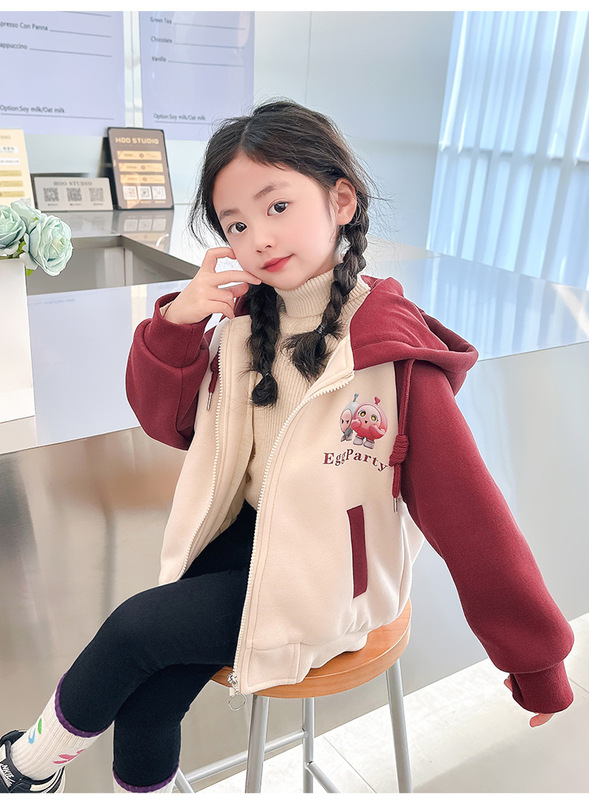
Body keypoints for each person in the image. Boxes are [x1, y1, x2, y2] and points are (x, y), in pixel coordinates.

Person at [0, 99, 574, 794]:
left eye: (277, 206)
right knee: (149, 697)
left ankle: (24, 769)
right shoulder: (244, 324)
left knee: (132, 632)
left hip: (327, 580)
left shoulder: (391, 356)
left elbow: (471, 519)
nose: (259, 237)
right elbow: (166, 422)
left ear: (340, 201)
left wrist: (535, 661)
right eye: (237, 225)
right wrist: (178, 323)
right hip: (245, 540)